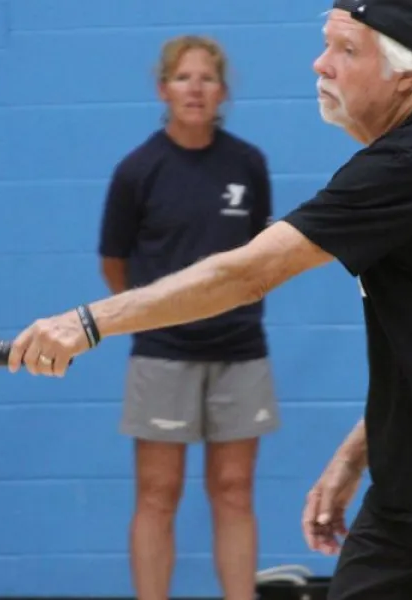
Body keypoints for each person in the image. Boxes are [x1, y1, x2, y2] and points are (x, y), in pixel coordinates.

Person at [5, 0, 412, 598]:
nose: (320, 64)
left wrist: (88, 322)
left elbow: (246, 274)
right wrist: (357, 454)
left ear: (408, 71)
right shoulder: (405, 158)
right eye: (326, 45)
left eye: (345, 50)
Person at [98, 35, 277, 600]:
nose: (194, 89)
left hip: (241, 350)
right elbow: (114, 263)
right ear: (163, 89)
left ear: (222, 92)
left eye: (206, 79)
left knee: (233, 489)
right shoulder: (138, 170)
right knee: (158, 493)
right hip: (163, 354)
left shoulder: (248, 164)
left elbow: (260, 256)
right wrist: (157, 316)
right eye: (183, 78)